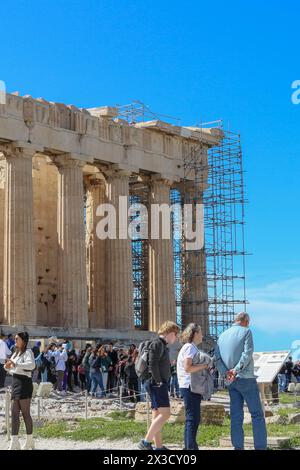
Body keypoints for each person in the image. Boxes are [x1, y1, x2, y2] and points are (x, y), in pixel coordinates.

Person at [215, 312, 267, 450]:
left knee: (236, 416)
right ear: (245, 321)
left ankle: (238, 447)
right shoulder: (246, 331)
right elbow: (247, 353)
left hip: (231, 380)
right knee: (256, 414)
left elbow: (217, 358)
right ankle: (260, 447)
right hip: (245, 377)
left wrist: (227, 372)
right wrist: (236, 370)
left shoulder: (221, 336)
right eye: (248, 322)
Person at [138, 321, 180, 451]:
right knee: (166, 414)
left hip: (156, 383)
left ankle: (159, 446)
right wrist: (158, 381)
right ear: (169, 333)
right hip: (156, 383)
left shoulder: (160, 344)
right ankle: (145, 443)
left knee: (157, 415)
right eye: (175, 334)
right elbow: (152, 364)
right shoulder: (157, 343)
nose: (176, 337)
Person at [177, 323, 211, 450]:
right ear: (195, 333)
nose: (202, 335)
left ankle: (189, 446)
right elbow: (188, 368)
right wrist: (205, 366)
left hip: (189, 386)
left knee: (192, 417)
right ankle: (191, 447)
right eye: (200, 332)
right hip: (189, 386)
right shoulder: (190, 348)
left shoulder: (190, 347)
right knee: (193, 418)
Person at [4, 332, 36, 450]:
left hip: (24, 383)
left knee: (26, 413)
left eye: (17, 339)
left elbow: (31, 365)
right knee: (14, 413)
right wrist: (7, 366)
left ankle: (29, 441)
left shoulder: (28, 352)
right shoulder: (16, 352)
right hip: (15, 383)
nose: (15, 340)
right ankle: (14, 441)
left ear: (23, 340)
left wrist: (15, 364)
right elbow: (10, 366)